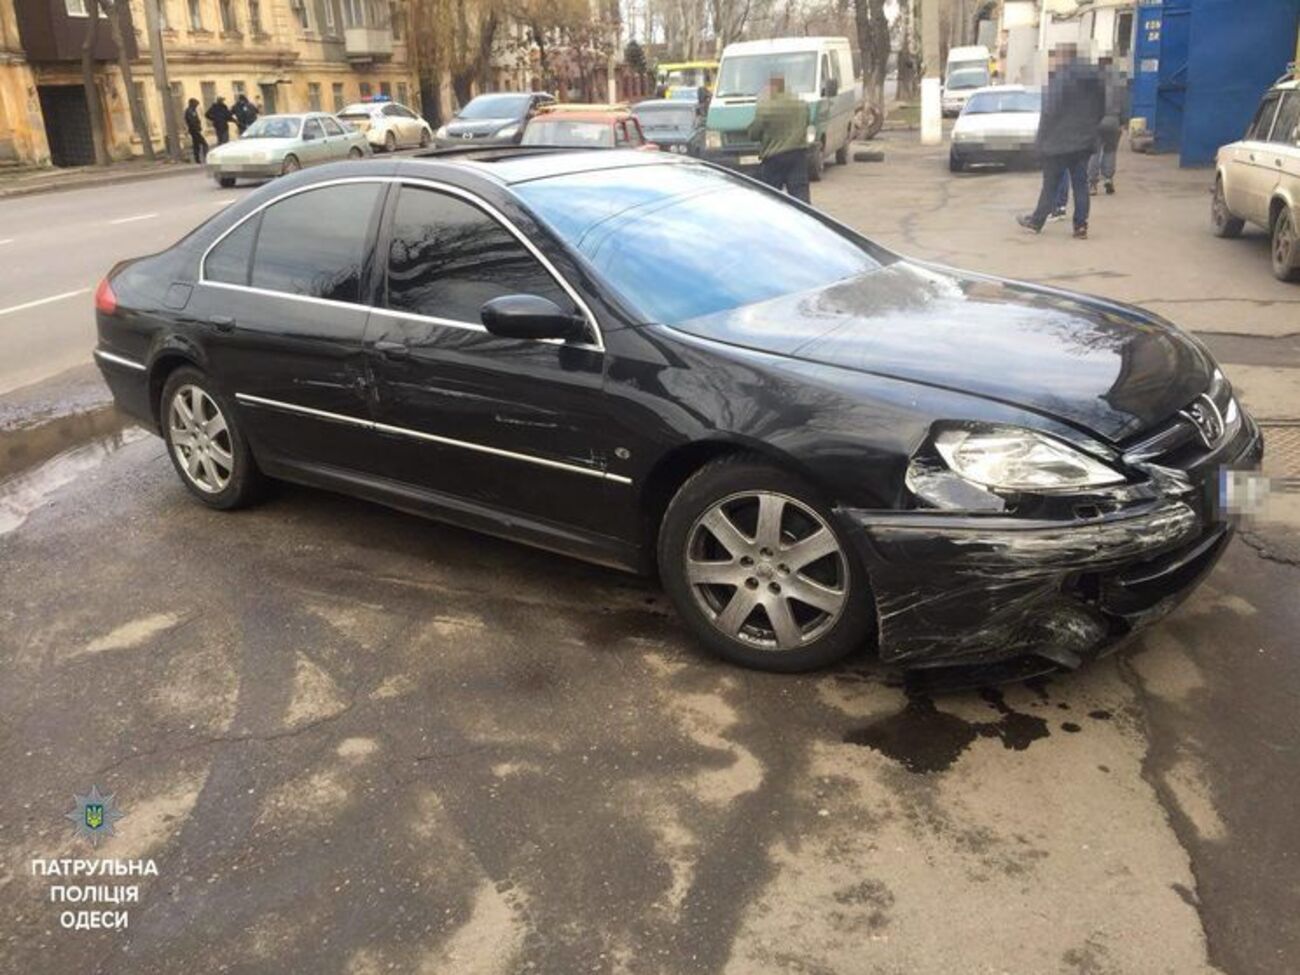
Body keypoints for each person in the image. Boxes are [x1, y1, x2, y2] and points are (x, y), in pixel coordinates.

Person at [1017, 44, 1105, 239]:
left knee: (1050, 184)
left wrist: (1040, 143)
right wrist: (1091, 130)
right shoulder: (1093, 78)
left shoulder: (1060, 78)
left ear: (1062, 57)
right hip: (1083, 142)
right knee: (1080, 184)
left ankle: (1037, 221)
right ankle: (1080, 226)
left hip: (1057, 143)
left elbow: (1050, 112)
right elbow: (1101, 108)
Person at [747, 74, 811, 204]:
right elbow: (807, 122)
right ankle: (805, 219)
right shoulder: (800, 103)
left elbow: (754, 133)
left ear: (770, 88)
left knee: (771, 196)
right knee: (800, 193)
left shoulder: (766, 106)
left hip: (774, 158)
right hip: (798, 154)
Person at [1088, 56, 1129, 195]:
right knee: (1110, 151)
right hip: (1113, 120)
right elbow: (1125, 103)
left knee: (1094, 152)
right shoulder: (1119, 81)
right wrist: (1124, 121)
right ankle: (1108, 179)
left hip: (1094, 120)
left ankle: (1092, 184)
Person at [183, 98, 208, 164]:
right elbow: (192, 121)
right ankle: (205, 157)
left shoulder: (192, 110)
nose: (196, 106)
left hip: (195, 130)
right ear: (192, 104)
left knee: (196, 145)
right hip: (194, 130)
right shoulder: (190, 111)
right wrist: (197, 128)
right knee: (204, 144)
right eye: (196, 104)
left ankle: (197, 159)